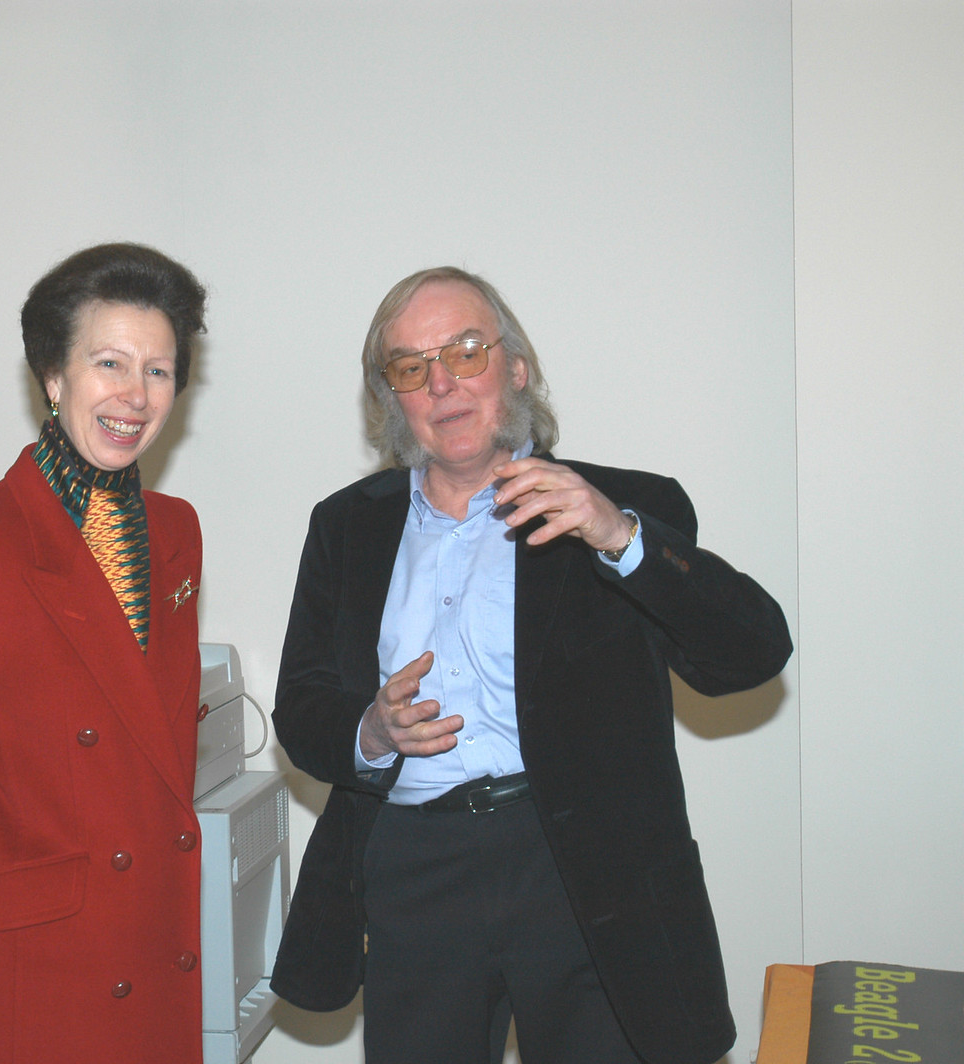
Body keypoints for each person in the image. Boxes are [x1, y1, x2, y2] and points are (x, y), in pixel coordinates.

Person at [270, 266, 792, 1064]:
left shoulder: (616, 505)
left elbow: (750, 654)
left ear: (517, 366)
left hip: (584, 874)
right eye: (411, 367)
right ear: (393, 397)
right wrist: (370, 729)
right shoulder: (347, 525)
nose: (441, 383)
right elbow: (303, 708)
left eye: (466, 351)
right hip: (416, 869)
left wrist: (620, 536)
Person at [0, 243, 207, 1064]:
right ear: (53, 376)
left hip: (156, 935)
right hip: (40, 972)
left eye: (159, 371)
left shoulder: (177, 533)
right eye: (108, 363)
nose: (134, 396)